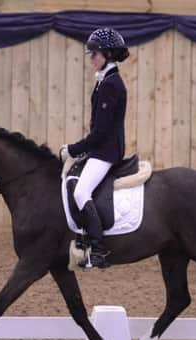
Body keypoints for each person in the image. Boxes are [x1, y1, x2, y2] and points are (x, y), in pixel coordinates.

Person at [59, 28, 129, 268]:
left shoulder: (111, 84)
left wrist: (73, 149)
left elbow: (100, 132)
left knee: (80, 192)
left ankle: (99, 250)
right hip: (102, 147)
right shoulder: (105, 81)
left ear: (108, 54)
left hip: (106, 151)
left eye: (94, 54)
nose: (91, 58)